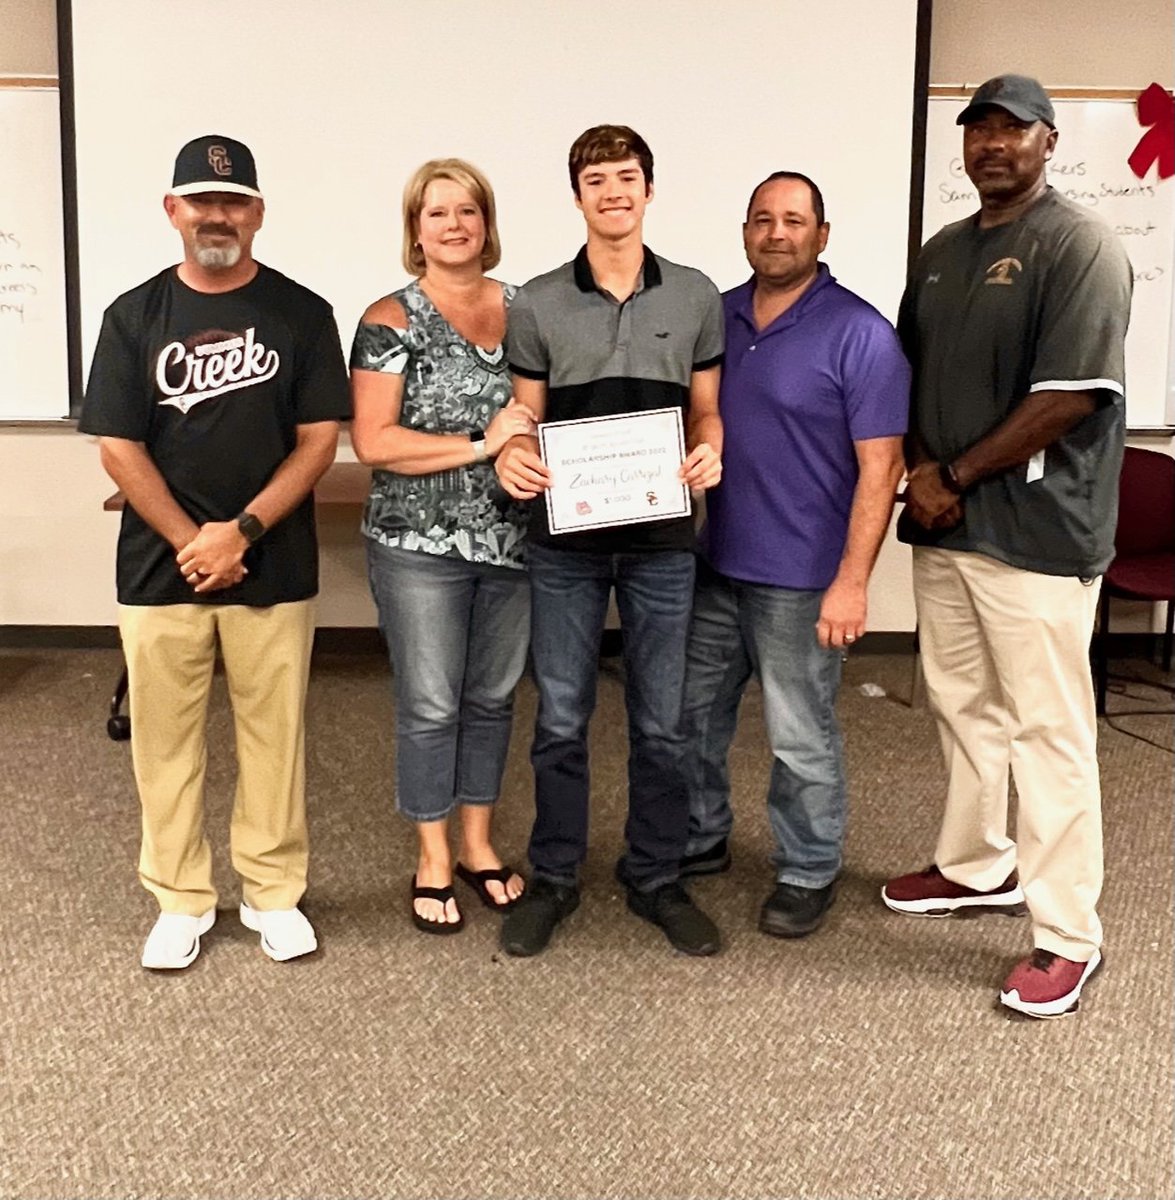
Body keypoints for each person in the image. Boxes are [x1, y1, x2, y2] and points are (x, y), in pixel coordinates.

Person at [881, 76, 1133, 1019]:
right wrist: (918, 471)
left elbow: (1067, 397)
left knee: (1049, 733)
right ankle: (976, 865)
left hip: (1032, 534)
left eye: (1011, 129)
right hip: (946, 527)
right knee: (962, 705)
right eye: (977, 128)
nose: (992, 144)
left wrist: (954, 477)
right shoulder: (942, 253)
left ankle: (1067, 934)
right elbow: (902, 384)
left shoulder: (1079, 246)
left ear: (1048, 141)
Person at [79, 135, 351, 968]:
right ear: (173, 212)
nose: (217, 216)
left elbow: (317, 443)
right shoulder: (133, 316)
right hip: (161, 567)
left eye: (233, 202)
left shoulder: (302, 314)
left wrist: (242, 533)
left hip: (270, 559)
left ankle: (272, 893)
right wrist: (192, 539)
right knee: (165, 741)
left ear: (258, 213)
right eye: (201, 201)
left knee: (275, 736)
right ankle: (181, 898)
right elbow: (118, 447)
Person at [494, 124, 725, 958]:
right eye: (596, 180)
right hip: (566, 541)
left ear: (649, 190)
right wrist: (517, 450)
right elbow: (524, 413)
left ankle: (655, 876)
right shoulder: (537, 300)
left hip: (663, 538)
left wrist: (713, 444)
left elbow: (705, 405)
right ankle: (554, 875)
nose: (613, 193)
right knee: (560, 714)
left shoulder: (695, 294)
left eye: (626, 178)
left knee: (662, 722)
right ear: (578, 196)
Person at [681, 172, 909, 937]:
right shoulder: (717, 317)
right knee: (691, 718)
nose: (775, 233)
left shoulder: (859, 332)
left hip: (804, 580)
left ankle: (808, 867)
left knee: (798, 735)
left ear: (821, 233)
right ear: (745, 231)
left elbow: (882, 466)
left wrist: (852, 583)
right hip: (715, 563)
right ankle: (701, 835)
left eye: (792, 220)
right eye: (761, 219)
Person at [350, 159, 535, 934]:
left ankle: (478, 844)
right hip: (416, 545)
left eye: (468, 211)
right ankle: (431, 856)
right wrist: (481, 442)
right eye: (437, 214)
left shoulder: (528, 310)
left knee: (491, 700)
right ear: (415, 230)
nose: (454, 225)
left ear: (487, 224)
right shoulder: (390, 318)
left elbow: (536, 418)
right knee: (430, 704)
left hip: (514, 544)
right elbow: (373, 441)